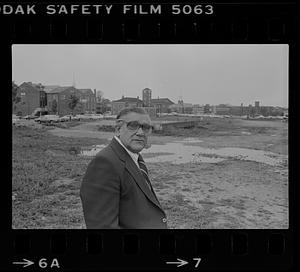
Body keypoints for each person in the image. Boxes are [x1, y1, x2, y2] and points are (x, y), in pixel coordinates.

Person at [80, 107, 167, 229]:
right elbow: (102, 226)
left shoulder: (134, 156)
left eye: (146, 127)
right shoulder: (105, 163)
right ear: (118, 129)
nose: (141, 133)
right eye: (133, 125)